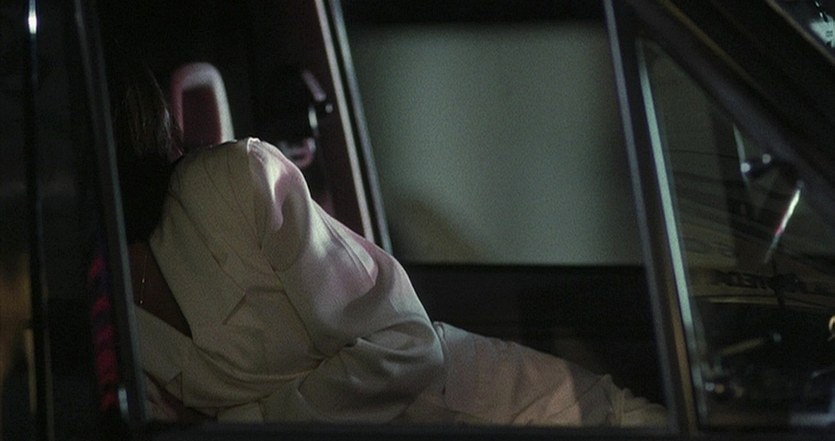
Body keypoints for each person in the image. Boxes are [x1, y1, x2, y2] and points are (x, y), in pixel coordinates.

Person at [107, 51, 667, 426]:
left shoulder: (227, 183)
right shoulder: (104, 312)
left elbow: (405, 345)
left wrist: (251, 420)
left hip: (494, 409)